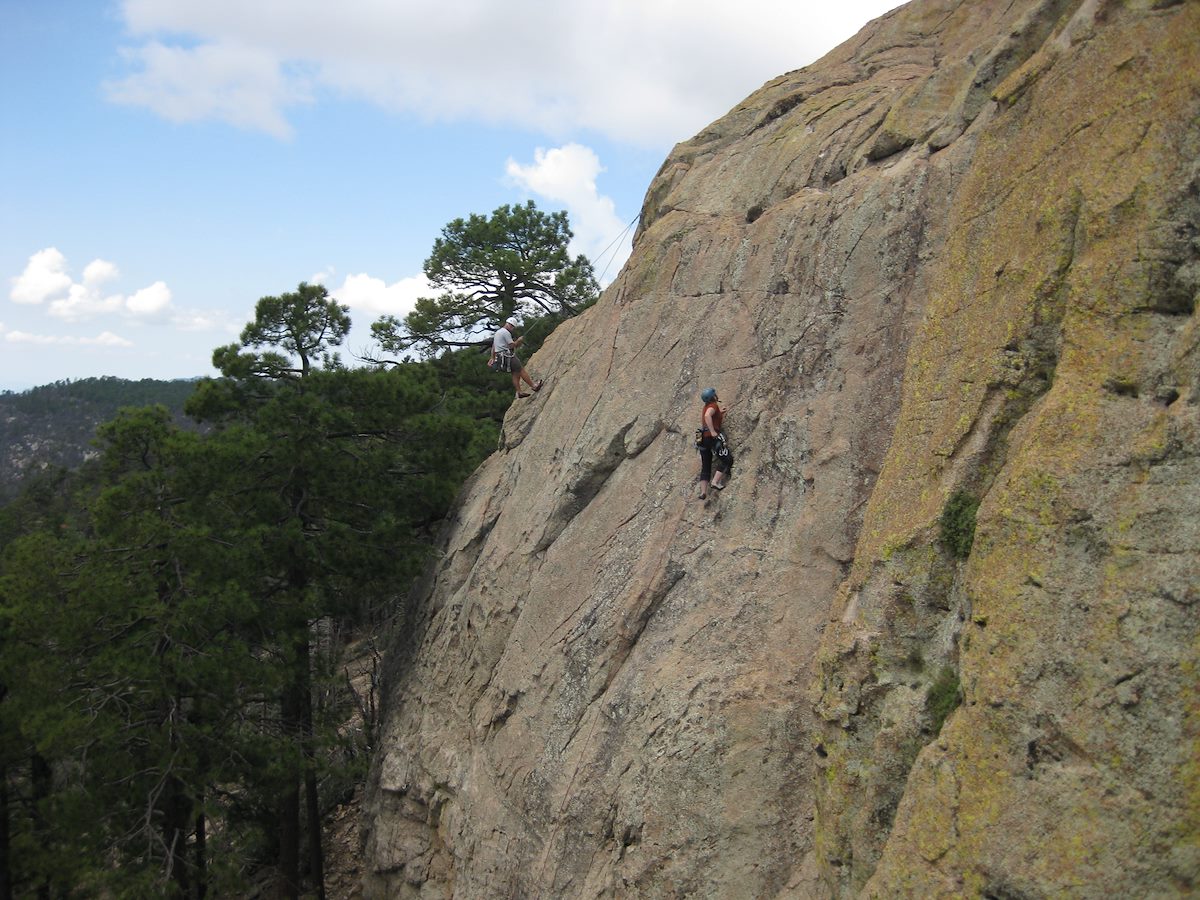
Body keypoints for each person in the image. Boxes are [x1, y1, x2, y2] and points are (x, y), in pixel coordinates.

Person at [491, 317, 543, 400]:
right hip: (507, 355)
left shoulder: (498, 332)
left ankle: (519, 392)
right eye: (511, 326)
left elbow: (494, 346)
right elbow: (512, 345)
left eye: (512, 326)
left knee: (515, 372)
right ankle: (534, 386)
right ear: (507, 324)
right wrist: (518, 341)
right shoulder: (505, 333)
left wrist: (493, 358)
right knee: (521, 369)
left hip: (500, 356)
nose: (511, 328)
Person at [696, 387, 726, 500]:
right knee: (725, 458)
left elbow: (710, 416)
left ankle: (703, 492)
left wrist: (720, 413)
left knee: (706, 465)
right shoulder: (713, 406)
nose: (716, 395)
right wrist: (713, 431)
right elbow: (708, 416)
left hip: (702, 439)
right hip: (710, 437)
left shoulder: (706, 406)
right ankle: (715, 482)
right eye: (715, 394)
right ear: (712, 397)